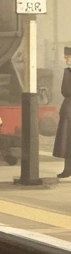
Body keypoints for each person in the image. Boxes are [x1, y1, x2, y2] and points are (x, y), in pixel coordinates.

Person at [53, 45, 71, 181]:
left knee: (67, 141)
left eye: (67, 57)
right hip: (68, 111)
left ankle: (68, 169)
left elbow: (65, 91)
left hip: (69, 110)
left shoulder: (68, 72)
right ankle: (67, 169)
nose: (65, 60)